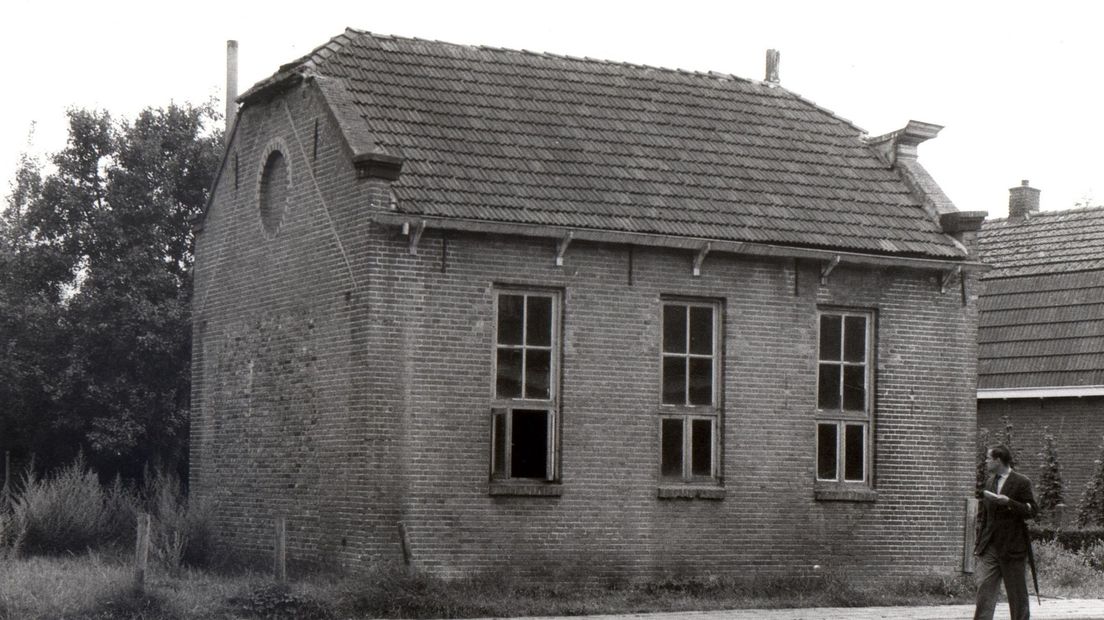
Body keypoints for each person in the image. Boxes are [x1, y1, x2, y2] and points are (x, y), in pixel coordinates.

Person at [974, 444, 1037, 620]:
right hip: (991, 546)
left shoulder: (1021, 482)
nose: (986, 461)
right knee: (984, 590)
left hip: (1013, 547)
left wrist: (1009, 502)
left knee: (1017, 594)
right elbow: (985, 517)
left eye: (988, 458)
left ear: (998, 460)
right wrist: (979, 545)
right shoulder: (989, 482)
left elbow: (1032, 511)